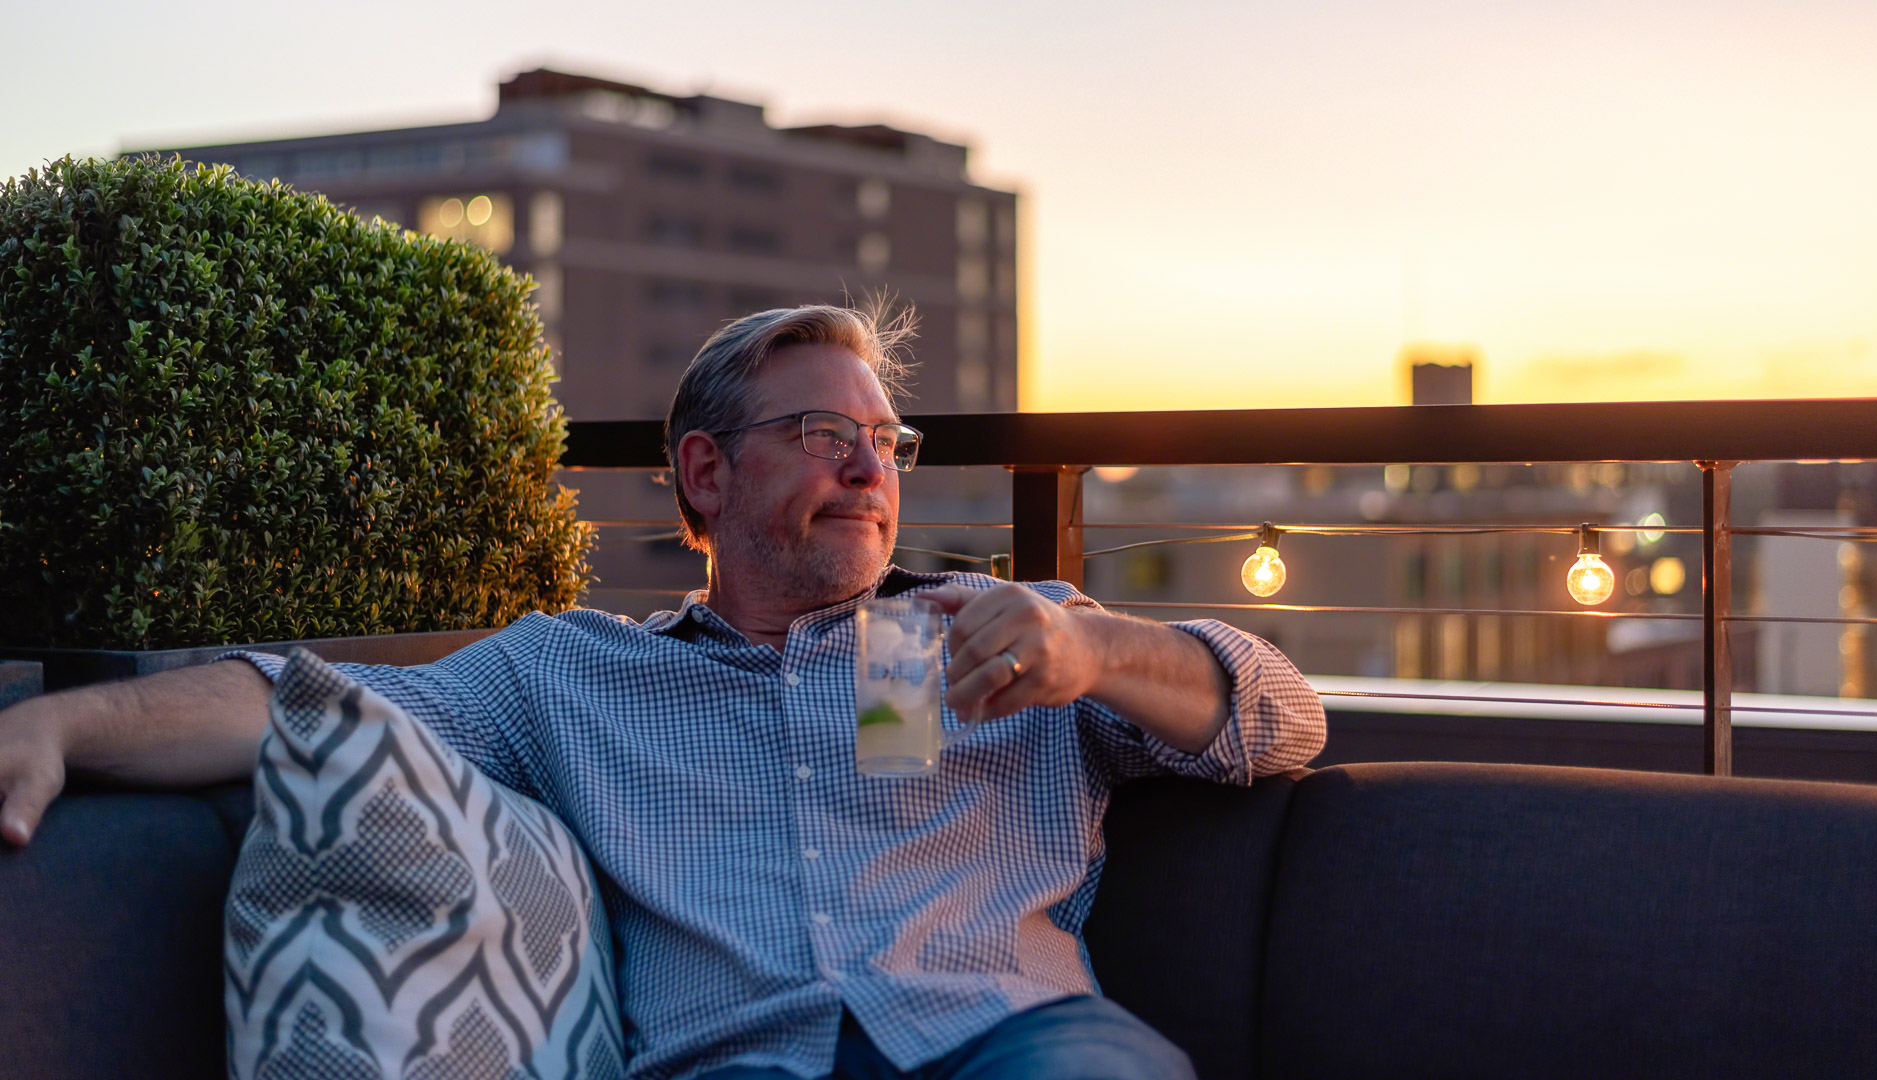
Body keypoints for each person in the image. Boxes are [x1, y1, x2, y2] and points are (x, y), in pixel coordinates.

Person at [0, 305, 1326, 1079]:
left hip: (1011, 1043)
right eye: (825, 439)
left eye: (885, 445)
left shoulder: (987, 639)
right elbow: (300, 705)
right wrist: (63, 719)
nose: (870, 471)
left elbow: (1281, 715)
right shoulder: (571, 675)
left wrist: (1099, 653)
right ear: (705, 475)